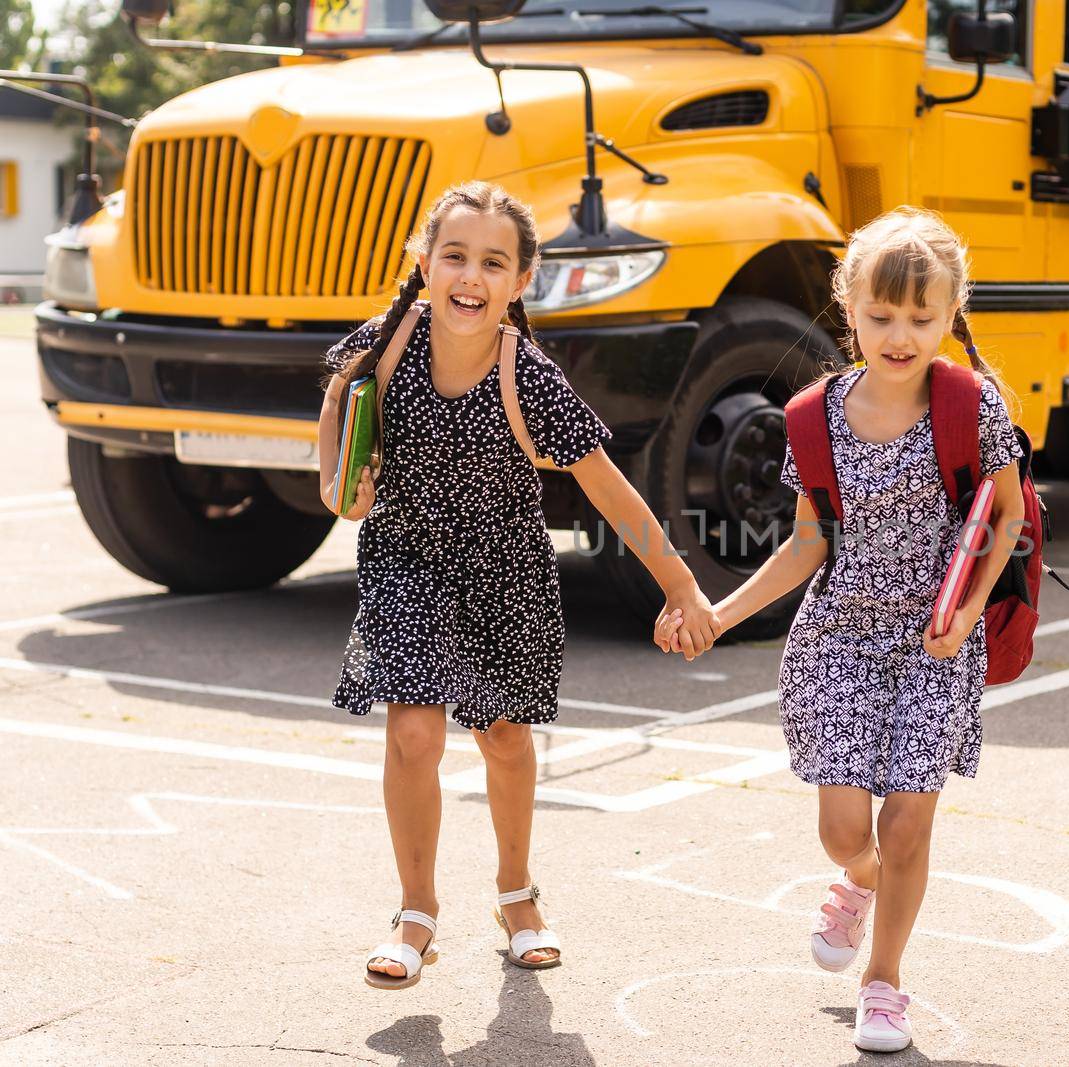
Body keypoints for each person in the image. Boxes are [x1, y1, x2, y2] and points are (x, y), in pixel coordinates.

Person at [323, 181, 717, 989]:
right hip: (406, 558)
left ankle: (516, 894)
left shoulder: (527, 376)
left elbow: (607, 485)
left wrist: (679, 583)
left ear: (521, 278)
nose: (471, 275)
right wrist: (337, 481)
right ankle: (416, 912)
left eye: (493, 262)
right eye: (455, 255)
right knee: (413, 733)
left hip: (506, 571)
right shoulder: (387, 343)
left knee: (502, 736)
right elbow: (337, 396)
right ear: (423, 263)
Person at [658, 207, 1025, 1053]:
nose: (901, 334)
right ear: (848, 305)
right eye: (882, 315)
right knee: (846, 834)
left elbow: (1005, 516)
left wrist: (965, 613)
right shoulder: (812, 416)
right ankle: (857, 882)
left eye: (922, 318)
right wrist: (718, 614)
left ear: (951, 311)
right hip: (840, 640)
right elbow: (807, 542)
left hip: (933, 642)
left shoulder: (972, 404)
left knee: (907, 826)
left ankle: (885, 981)